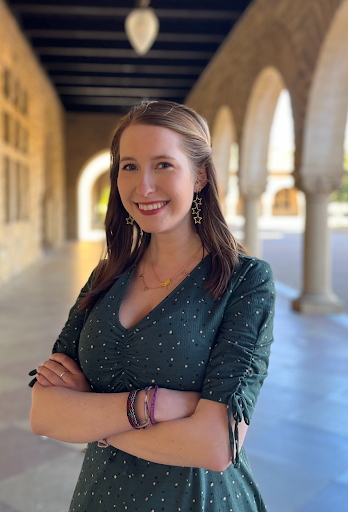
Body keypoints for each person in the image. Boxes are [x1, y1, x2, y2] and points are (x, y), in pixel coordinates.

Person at [29, 100, 275, 512]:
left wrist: (92, 420)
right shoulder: (105, 277)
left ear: (199, 176)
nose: (143, 186)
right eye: (129, 166)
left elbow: (215, 445)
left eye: (163, 164)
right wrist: (153, 406)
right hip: (99, 498)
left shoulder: (245, 281)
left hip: (199, 500)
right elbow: (45, 413)